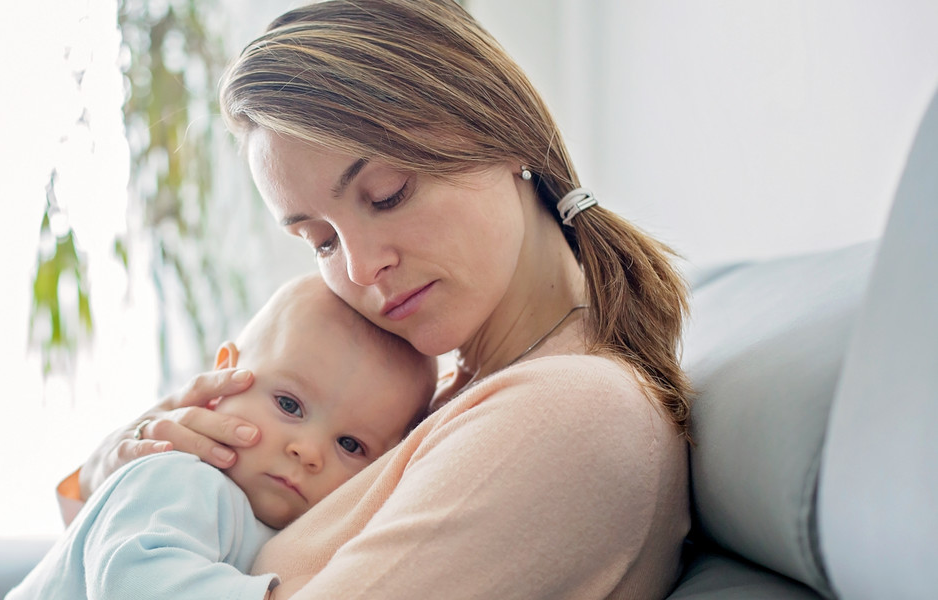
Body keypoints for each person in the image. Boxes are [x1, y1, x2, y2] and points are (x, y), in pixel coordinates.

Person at [67, 1, 693, 598]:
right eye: (320, 241)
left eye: (388, 193)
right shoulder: (445, 395)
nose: (362, 267)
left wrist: (127, 523)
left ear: (502, 130)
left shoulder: (571, 415)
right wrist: (117, 479)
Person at [6, 273, 435, 600]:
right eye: (289, 405)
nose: (307, 451)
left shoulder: (289, 526)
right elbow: (130, 581)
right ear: (222, 377)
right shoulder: (180, 477)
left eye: (351, 445)